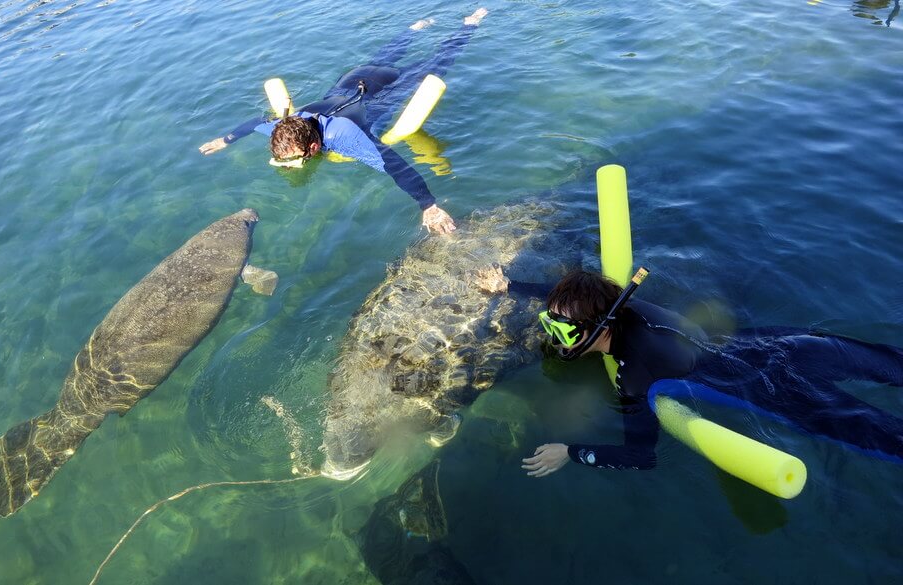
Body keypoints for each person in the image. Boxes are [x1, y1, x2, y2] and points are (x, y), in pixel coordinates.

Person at [472, 267, 903, 477]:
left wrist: (571, 452)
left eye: (561, 329)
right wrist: (508, 286)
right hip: (786, 346)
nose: (553, 335)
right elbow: (566, 300)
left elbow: (642, 456)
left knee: (889, 439)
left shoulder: (634, 376)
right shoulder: (623, 304)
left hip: (771, 389)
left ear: (597, 327)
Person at [199, 8, 490, 235]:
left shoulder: (345, 137)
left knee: (437, 63)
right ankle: (416, 27)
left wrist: (429, 205)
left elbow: (394, 165)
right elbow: (253, 123)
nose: (288, 166)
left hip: (384, 91)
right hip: (352, 80)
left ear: (314, 147)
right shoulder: (284, 127)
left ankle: (470, 24)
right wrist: (224, 140)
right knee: (384, 57)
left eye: (292, 161)